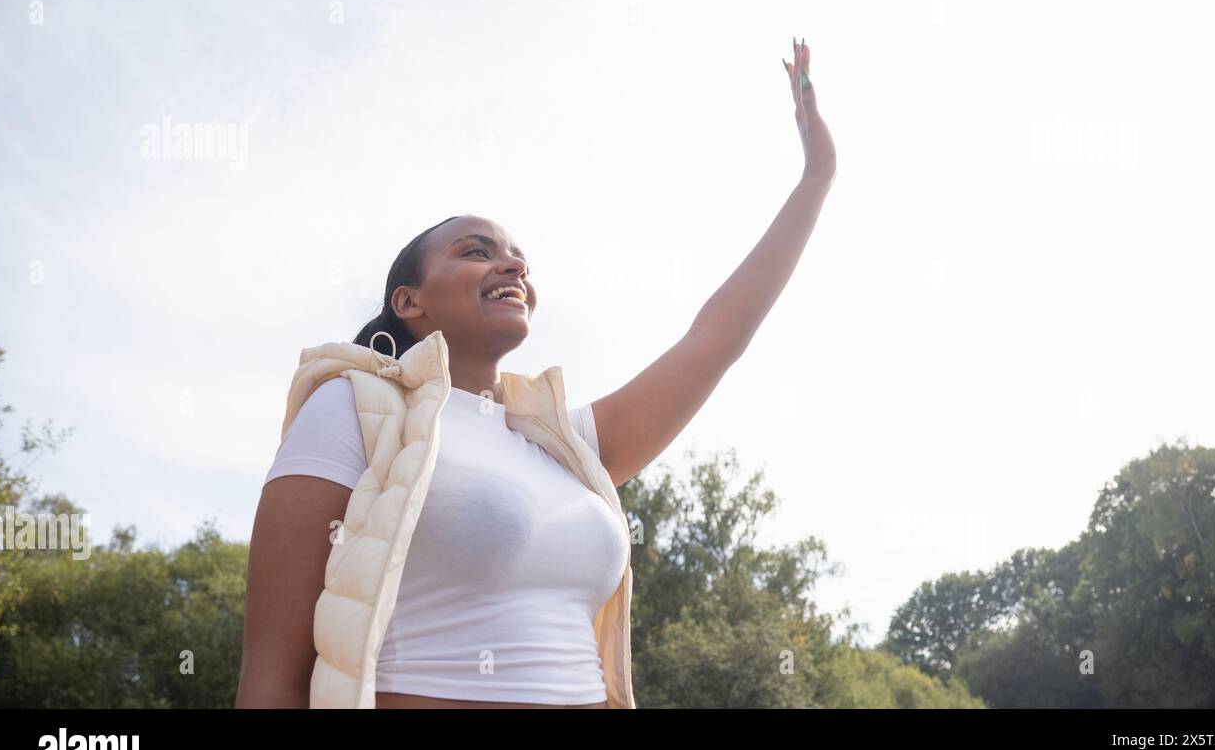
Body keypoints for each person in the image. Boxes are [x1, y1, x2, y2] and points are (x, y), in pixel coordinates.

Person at [234, 39, 836, 708]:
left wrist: (816, 179)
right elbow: (272, 677)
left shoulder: (566, 446)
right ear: (410, 301)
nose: (513, 266)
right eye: (476, 252)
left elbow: (715, 341)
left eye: (519, 258)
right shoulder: (354, 407)